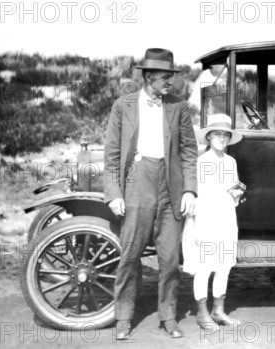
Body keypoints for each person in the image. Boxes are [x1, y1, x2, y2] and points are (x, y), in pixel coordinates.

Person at [104, 48, 198, 339]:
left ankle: (168, 317)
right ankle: (123, 317)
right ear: (147, 77)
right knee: (130, 255)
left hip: (171, 186)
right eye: (164, 77)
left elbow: (189, 152)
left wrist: (190, 190)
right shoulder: (124, 106)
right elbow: (112, 155)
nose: (169, 82)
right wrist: (114, 193)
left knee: (170, 259)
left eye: (171, 76)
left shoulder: (178, 107)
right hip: (136, 179)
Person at [182, 114, 244, 331]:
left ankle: (218, 310)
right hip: (206, 221)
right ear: (208, 137)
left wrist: (238, 193)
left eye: (226, 135)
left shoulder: (231, 162)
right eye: (217, 134)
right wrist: (198, 226)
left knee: (223, 267)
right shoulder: (200, 162)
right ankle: (202, 313)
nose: (222, 138)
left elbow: (234, 188)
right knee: (204, 268)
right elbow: (196, 197)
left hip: (226, 219)